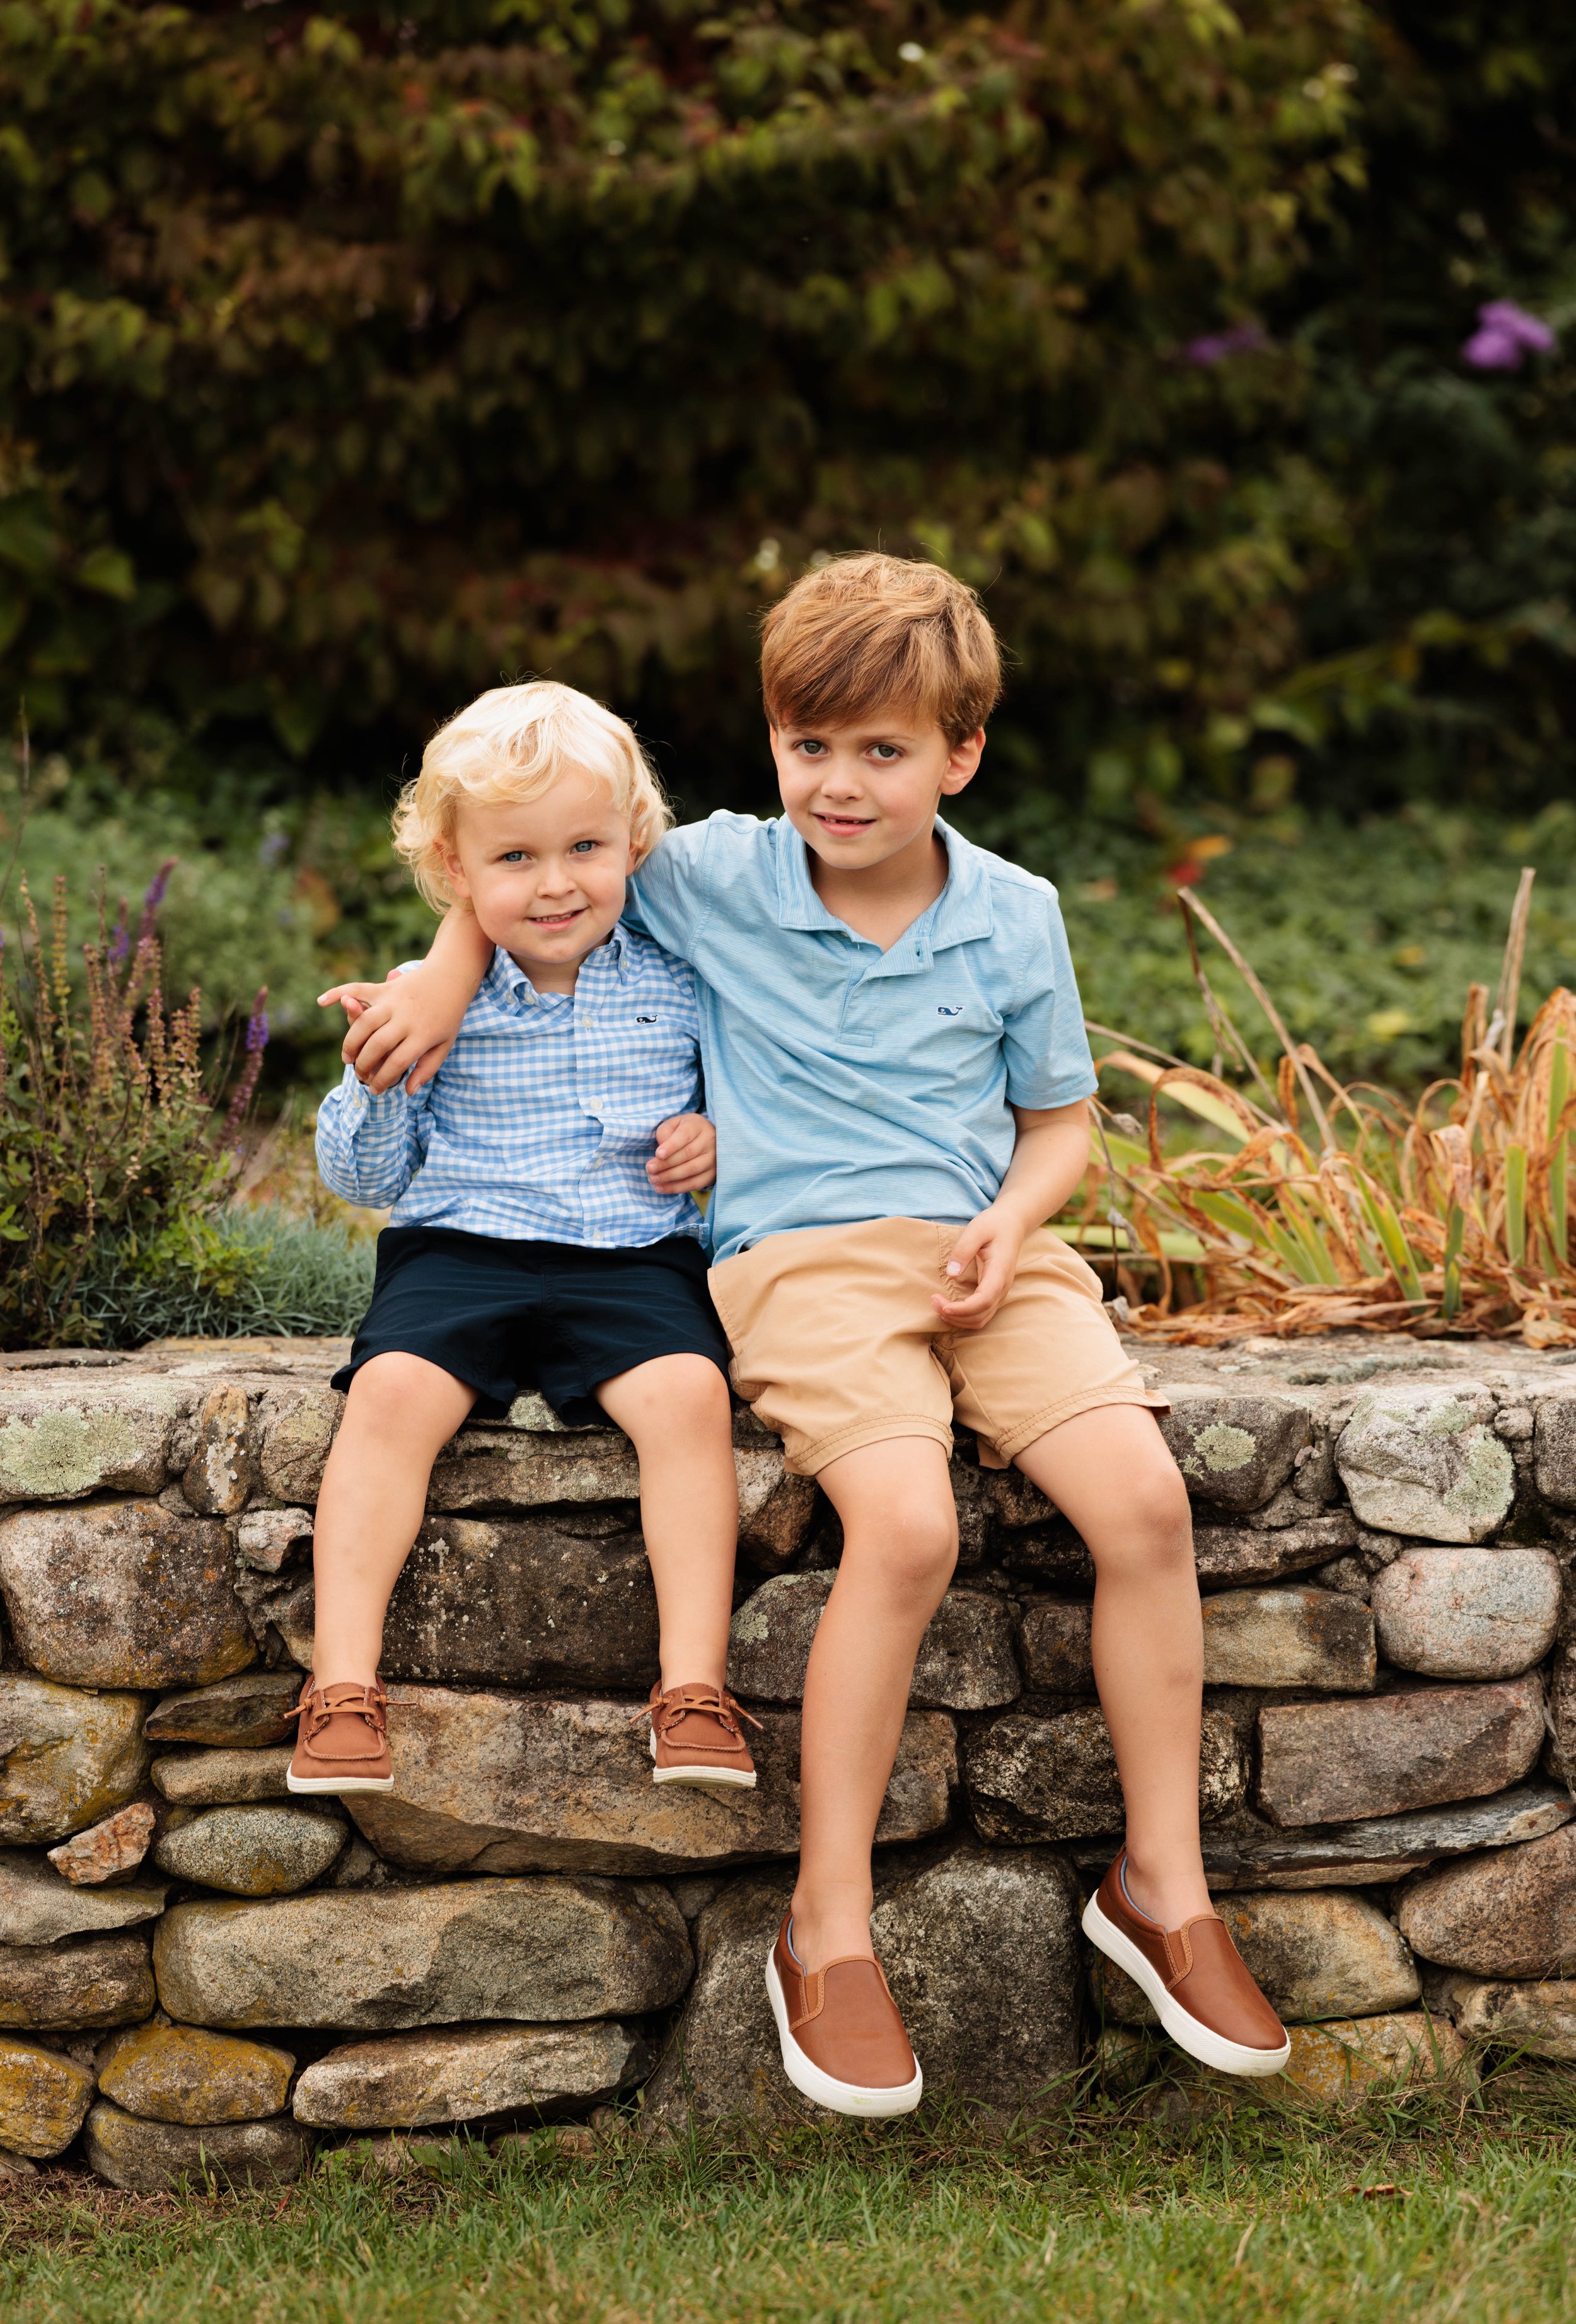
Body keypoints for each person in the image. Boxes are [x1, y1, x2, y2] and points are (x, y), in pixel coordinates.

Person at [325, 555, 1290, 2110]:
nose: (837, 785)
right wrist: (444, 975)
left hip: (990, 1255)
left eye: (882, 751)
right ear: (772, 742)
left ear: (959, 755)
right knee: (901, 1523)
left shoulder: (1013, 915)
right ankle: (825, 1923)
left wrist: (1011, 1218)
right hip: (804, 1259)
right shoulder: (713, 872)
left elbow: (1061, 1126)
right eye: (807, 745)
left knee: (1145, 1504)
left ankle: (1160, 1887)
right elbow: (522, 878)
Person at [292, 680, 758, 1803]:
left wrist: (715, 1141)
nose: (557, 885)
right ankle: (342, 1687)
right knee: (392, 1394)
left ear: (634, 841)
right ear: (458, 873)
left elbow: (748, 1108)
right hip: (462, 1249)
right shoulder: (429, 997)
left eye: (586, 846)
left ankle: (693, 1689)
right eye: (516, 859)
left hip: (633, 1257)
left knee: (691, 1396)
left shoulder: (687, 986)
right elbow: (361, 1180)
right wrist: (383, 1080)